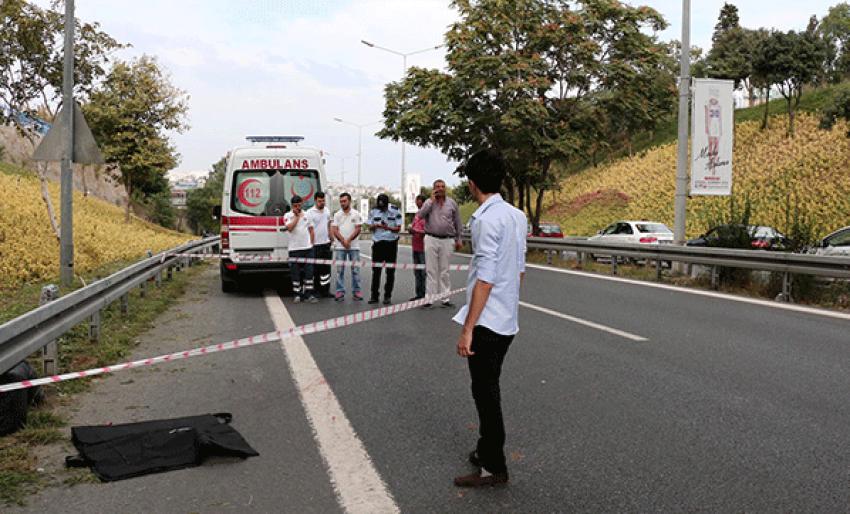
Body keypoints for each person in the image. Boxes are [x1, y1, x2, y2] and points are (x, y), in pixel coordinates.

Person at [452, 149, 527, 488]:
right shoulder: (516, 216)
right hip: (507, 318)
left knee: (485, 393)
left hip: (488, 322)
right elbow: (519, 270)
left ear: (471, 183)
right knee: (488, 387)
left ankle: (493, 466)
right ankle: (485, 450)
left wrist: (468, 328)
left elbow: (485, 278)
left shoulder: (483, 219)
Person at [417, 179, 463, 308]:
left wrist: (459, 238)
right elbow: (420, 215)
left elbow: (458, 222)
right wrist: (430, 201)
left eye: (442, 186)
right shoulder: (428, 202)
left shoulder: (452, 203)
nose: (440, 189)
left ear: (445, 188)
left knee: (444, 270)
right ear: (433, 188)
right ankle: (429, 298)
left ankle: (445, 298)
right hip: (431, 238)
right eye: (437, 187)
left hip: (447, 239)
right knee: (431, 270)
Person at [368, 193, 402, 305]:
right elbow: (369, 227)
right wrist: (376, 226)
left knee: (390, 272)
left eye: (383, 207)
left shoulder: (395, 210)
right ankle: (374, 295)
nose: (381, 209)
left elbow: (398, 228)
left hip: (391, 243)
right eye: (380, 206)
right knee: (376, 272)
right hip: (378, 243)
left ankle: (387, 296)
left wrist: (387, 227)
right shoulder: (374, 211)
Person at [284, 195, 317, 304]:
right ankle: (297, 294)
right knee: (295, 273)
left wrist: (311, 243)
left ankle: (309, 294)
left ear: (302, 204)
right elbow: (289, 228)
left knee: (309, 273)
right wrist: (297, 217)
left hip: (307, 249)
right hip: (294, 249)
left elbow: (311, 230)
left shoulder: (308, 215)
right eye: (295, 206)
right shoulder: (287, 215)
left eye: (299, 205)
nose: (298, 207)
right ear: (292, 206)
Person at [331, 192, 363, 302]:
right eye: (341, 201)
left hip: (353, 246)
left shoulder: (356, 214)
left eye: (344, 201)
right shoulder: (337, 215)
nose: (342, 203)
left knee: (355, 270)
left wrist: (348, 240)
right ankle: (340, 291)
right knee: (340, 270)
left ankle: (357, 291)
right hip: (340, 247)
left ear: (349, 201)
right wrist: (343, 241)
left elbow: (358, 228)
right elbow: (334, 230)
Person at [307, 192, 333, 297]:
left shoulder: (327, 210)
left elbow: (329, 224)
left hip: (326, 244)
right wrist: (311, 244)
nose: (322, 203)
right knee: (315, 269)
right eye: (319, 201)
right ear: (315, 201)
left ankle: (325, 290)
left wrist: (332, 239)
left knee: (326, 269)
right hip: (315, 245)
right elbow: (310, 230)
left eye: (323, 201)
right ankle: (316, 290)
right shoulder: (310, 212)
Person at [409, 194, 428, 301]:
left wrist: (416, 231)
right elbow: (414, 227)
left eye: (418, 201)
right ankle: (419, 294)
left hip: (423, 247)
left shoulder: (427, 215)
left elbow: (428, 231)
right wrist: (411, 230)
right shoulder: (417, 215)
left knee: (423, 272)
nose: (416, 203)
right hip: (415, 246)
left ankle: (425, 294)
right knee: (416, 272)